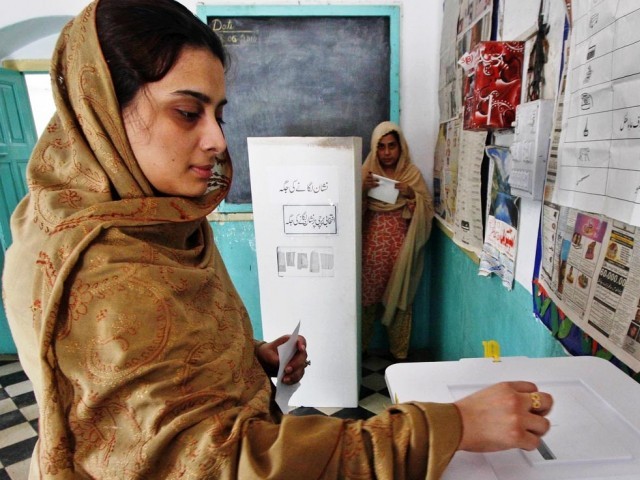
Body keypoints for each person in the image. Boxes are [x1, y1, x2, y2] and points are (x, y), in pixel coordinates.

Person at [2, 1, 553, 478]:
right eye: (188, 112)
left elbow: (153, 379)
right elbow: (227, 467)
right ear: (102, 110)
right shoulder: (100, 270)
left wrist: (245, 360)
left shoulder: (147, 219)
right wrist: (451, 426)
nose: (218, 139)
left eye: (219, 113)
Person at [361, 121, 434, 359]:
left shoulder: (411, 175)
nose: (387, 153)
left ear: (401, 147)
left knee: (401, 300)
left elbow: (425, 210)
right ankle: (359, 354)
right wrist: (361, 188)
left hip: (402, 250)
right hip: (370, 253)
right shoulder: (366, 173)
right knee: (366, 303)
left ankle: (399, 355)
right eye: (381, 147)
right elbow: (349, 213)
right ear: (375, 148)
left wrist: (411, 194)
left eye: (392, 146)